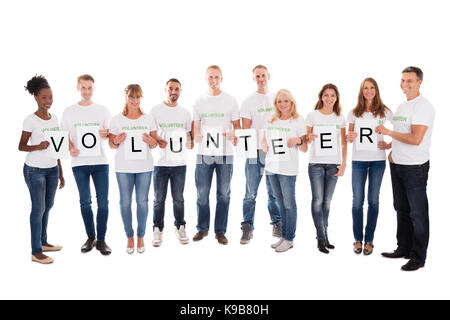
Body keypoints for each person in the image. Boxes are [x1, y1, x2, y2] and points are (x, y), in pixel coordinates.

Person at [376, 66, 434, 271]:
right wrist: (391, 148)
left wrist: (389, 133)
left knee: (417, 213)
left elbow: (416, 138)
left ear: (419, 82)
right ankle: (404, 248)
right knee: (401, 208)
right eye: (403, 80)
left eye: (410, 80)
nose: (405, 84)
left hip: (414, 167)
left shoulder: (423, 107)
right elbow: (403, 134)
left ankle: (418, 257)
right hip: (398, 165)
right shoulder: (402, 106)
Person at [61, 74, 112, 255]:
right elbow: (63, 135)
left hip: (100, 162)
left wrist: (106, 134)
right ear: (78, 88)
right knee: (85, 202)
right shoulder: (68, 111)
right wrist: (71, 147)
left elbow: (109, 135)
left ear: (93, 88)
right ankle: (90, 237)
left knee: (103, 203)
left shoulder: (103, 110)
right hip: (79, 163)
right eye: (83, 87)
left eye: (90, 87)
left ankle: (102, 240)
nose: (87, 91)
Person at [192, 65, 241, 245]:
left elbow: (238, 127)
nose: (213, 80)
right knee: (202, 193)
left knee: (224, 194)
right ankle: (202, 228)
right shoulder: (199, 101)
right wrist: (196, 134)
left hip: (226, 153)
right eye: (210, 77)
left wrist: (233, 133)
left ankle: (220, 231)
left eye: (216, 77)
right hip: (204, 154)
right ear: (206, 79)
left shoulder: (230, 100)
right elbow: (196, 126)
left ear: (222, 78)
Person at [19, 75, 65, 264]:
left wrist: (60, 171)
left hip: (52, 169)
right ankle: (36, 251)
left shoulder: (54, 118)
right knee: (38, 209)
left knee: (48, 206)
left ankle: (44, 242)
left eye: (50, 97)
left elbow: (57, 146)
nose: (48, 101)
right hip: (34, 170)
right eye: (44, 97)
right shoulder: (30, 120)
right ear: (36, 98)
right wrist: (37, 146)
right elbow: (21, 146)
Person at [109, 84, 158, 254]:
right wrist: (116, 140)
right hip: (123, 167)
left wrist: (152, 142)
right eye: (131, 97)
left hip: (144, 166)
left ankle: (141, 236)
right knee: (125, 202)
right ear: (126, 97)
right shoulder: (116, 119)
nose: (134, 100)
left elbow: (154, 143)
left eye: (138, 97)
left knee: (142, 202)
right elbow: (111, 144)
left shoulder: (148, 118)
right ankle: (129, 236)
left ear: (141, 98)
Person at [347, 78, 392, 255]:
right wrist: (350, 137)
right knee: (357, 201)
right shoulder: (354, 113)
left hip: (378, 161)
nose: (369, 91)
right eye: (366, 88)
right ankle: (358, 239)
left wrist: (389, 145)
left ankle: (370, 240)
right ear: (361, 91)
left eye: (372, 87)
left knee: (373, 201)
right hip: (358, 160)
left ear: (376, 90)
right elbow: (349, 136)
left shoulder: (385, 111)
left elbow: (402, 128)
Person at [239, 65, 281, 244]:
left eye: (263, 75)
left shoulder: (277, 98)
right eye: (257, 76)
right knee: (250, 193)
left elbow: (281, 122)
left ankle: (277, 223)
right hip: (254, 153)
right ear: (253, 78)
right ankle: (247, 226)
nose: (261, 79)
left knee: (273, 192)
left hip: (273, 152)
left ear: (268, 76)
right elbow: (246, 129)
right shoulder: (248, 101)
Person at [262, 89, 307, 252]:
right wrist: (263, 145)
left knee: (289, 204)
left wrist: (298, 140)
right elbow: (264, 141)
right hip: (272, 167)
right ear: (276, 104)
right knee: (280, 204)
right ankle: (284, 235)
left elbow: (304, 148)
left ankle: (289, 238)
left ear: (292, 102)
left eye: (286, 101)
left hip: (288, 169)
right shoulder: (271, 120)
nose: (283, 104)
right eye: (279, 101)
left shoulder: (298, 120)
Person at [150, 79, 193, 246]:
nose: (173, 91)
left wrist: (190, 142)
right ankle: (157, 228)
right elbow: (151, 135)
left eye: (176, 89)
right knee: (159, 198)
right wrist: (156, 141)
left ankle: (180, 226)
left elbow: (189, 135)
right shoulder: (155, 110)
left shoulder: (185, 112)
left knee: (179, 198)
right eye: (170, 88)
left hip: (180, 163)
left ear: (180, 91)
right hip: (160, 162)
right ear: (165, 90)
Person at [306, 83, 347, 254]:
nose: (329, 98)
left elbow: (344, 143)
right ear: (321, 97)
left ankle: (324, 235)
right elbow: (306, 141)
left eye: (332, 95)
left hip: (333, 164)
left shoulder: (340, 117)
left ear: (336, 98)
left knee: (327, 202)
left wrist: (343, 164)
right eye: (326, 95)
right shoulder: (312, 116)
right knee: (317, 200)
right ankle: (321, 237)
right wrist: (307, 138)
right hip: (315, 163)